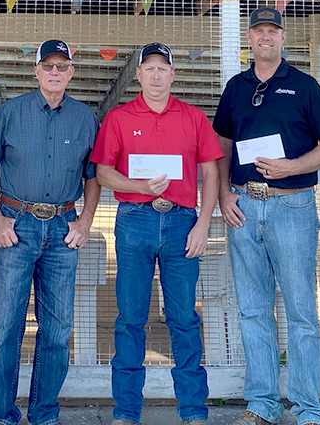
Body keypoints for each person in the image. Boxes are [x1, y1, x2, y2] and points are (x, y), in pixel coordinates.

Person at [213, 6, 320, 425]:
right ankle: (262, 404)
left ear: (283, 38)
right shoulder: (236, 87)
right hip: (243, 206)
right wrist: (222, 197)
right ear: (248, 39)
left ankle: (308, 408)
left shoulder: (303, 86)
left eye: (272, 31)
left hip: (293, 204)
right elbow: (221, 149)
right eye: (258, 31)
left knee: (302, 310)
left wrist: (293, 167)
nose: (265, 37)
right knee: (252, 309)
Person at [91, 43, 223, 425]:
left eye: (162, 69)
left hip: (182, 221)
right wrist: (139, 186)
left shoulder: (194, 117)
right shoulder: (118, 117)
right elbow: (102, 172)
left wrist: (203, 224)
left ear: (173, 74)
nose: (156, 75)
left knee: (183, 317)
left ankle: (194, 410)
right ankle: (126, 412)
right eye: (148, 68)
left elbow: (211, 172)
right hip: (135, 220)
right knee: (131, 318)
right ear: (138, 75)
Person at [0, 39, 101, 425]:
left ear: (71, 73)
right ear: (36, 70)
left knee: (58, 328)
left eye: (62, 66)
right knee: (5, 326)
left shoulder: (85, 118)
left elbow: (93, 176)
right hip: (17, 223)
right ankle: (3, 412)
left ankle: (44, 411)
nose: (55, 72)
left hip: (64, 228)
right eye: (48, 66)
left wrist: (85, 222)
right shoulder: (10, 112)